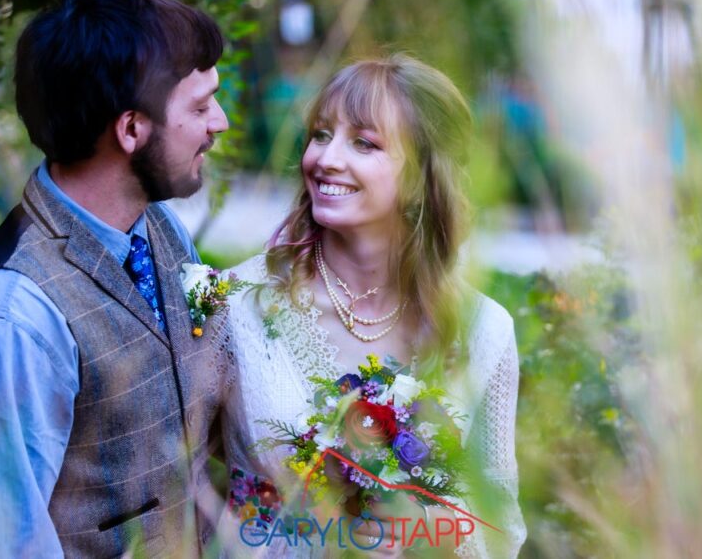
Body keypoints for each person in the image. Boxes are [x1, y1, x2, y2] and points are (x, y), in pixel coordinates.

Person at [0, 0, 232, 557]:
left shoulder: (164, 231)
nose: (222, 122)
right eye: (199, 106)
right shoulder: (9, 318)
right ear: (131, 129)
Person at [216, 55, 525, 556]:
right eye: (320, 134)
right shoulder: (240, 305)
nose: (325, 159)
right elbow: (177, 483)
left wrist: (424, 528)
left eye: (363, 142)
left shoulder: (483, 331)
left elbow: (499, 519)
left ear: (422, 176)